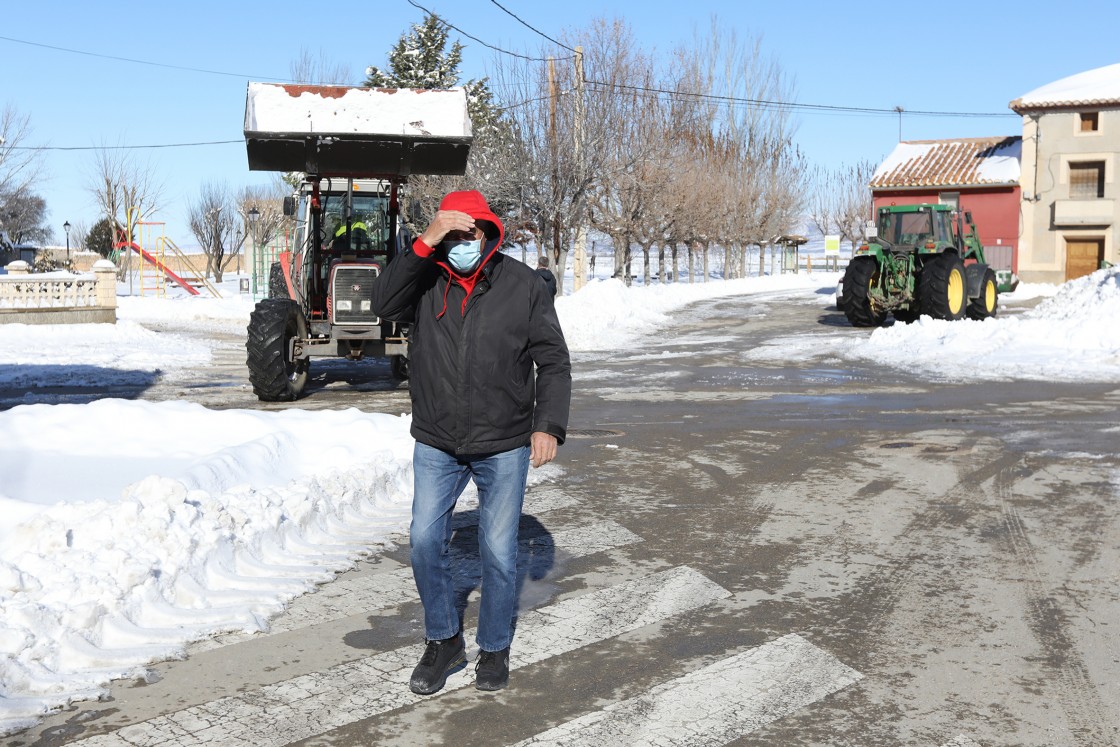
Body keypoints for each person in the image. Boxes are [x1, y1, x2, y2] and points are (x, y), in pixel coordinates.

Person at [370, 190, 571, 695]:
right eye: (452, 233)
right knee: (422, 541)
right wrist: (426, 240)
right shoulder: (425, 280)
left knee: (499, 551)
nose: (462, 242)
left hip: (503, 442)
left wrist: (547, 425)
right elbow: (381, 304)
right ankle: (444, 640)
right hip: (438, 440)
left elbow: (553, 359)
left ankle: (495, 647)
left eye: (470, 232)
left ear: (488, 232)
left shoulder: (523, 285)